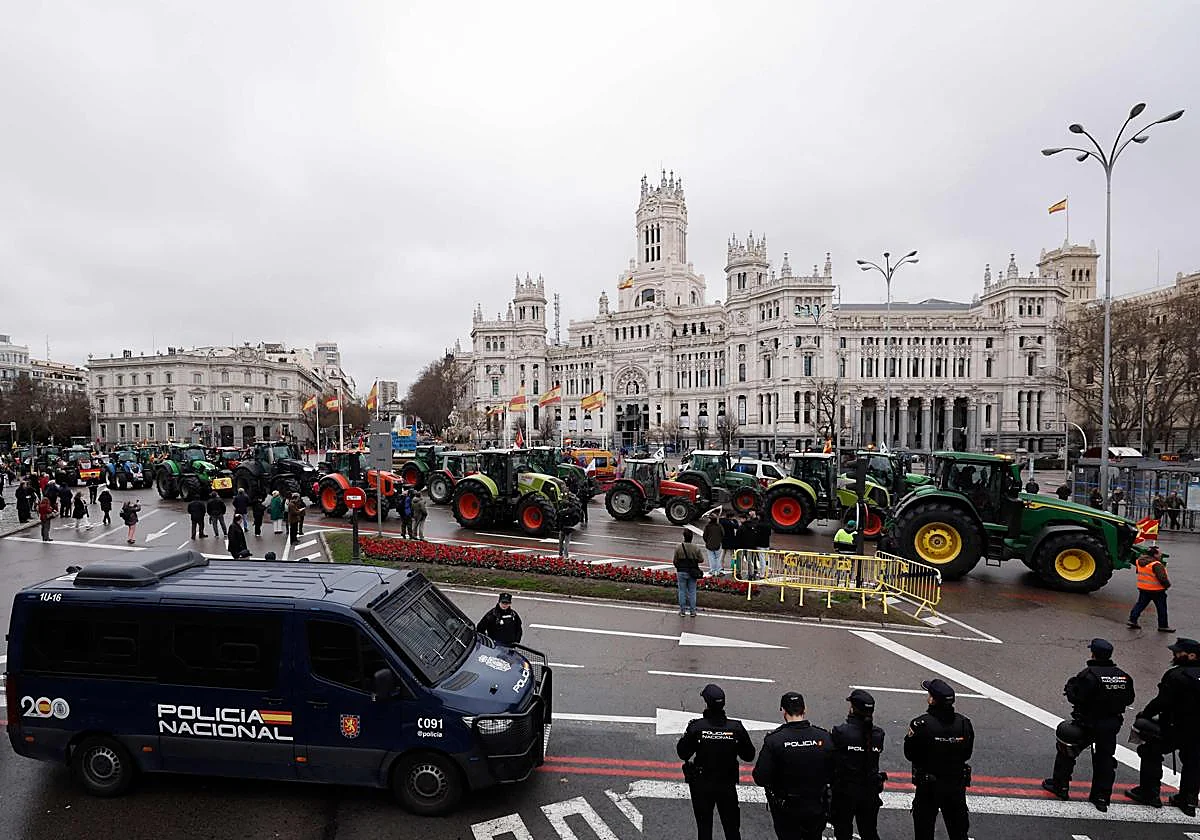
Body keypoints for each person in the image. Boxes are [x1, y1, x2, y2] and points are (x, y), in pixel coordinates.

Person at [1041, 638, 1133, 811]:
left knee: (1067, 751)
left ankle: (1061, 786)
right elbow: (1130, 699)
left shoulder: (1088, 674)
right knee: (1105, 760)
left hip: (1088, 723)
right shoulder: (1122, 676)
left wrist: (1070, 688)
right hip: (1111, 724)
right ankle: (1101, 796)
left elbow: (1076, 697)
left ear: (1094, 654)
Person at [1127, 638, 1200, 814]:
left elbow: (1162, 702)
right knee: (1194, 762)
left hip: (1176, 727)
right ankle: (1188, 799)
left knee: (1151, 751)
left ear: (1191, 655)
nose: (1174, 655)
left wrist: (1145, 714)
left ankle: (1149, 793)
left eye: (1178, 652)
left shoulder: (1177, 675)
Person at [678, 684, 756, 840]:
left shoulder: (697, 727)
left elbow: (683, 752)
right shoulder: (736, 728)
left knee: (704, 828)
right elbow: (749, 755)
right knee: (732, 829)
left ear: (706, 703)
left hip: (702, 785)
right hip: (727, 785)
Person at [753, 690, 834, 840]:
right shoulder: (824, 737)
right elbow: (835, 772)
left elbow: (760, 777)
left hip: (787, 809)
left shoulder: (774, 740)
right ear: (805, 709)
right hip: (816, 806)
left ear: (783, 711)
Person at [904, 678, 974, 840]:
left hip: (929, 787)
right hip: (955, 785)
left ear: (932, 700)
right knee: (958, 831)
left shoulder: (920, 724)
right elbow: (967, 753)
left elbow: (910, 754)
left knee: (924, 831)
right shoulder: (964, 724)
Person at [830, 689, 885, 840]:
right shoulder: (878, 734)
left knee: (843, 831)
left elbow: (832, 758)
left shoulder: (840, 732)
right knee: (869, 831)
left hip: (845, 792)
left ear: (853, 709)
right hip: (869, 792)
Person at [1127, 546, 1173, 632]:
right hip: (1157, 590)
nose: (1161, 554)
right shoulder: (1156, 564)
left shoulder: (1139, 562)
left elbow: (1139, 572)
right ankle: (1163, 626)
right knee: (1161, 608)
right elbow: (1162, 578)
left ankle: (1132, 620)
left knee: (1140, 605)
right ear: (1155, 555)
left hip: (1144, 588)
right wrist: (1167, 585)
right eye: (1159, 553)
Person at [673, 529, 704, 617]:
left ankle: (682, 611)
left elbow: (675, 560)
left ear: (684, 537)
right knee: (692, 592)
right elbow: (701, 559)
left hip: (681, 571)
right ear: (692, 537)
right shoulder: (696, 548)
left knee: (682, 591)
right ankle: (693, 612)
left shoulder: (679, 547)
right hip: (692, 572)